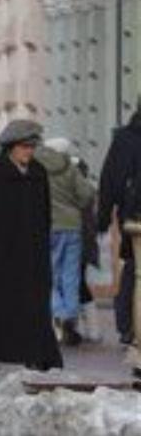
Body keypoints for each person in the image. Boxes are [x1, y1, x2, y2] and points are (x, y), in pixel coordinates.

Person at [0, 120, 63, 387]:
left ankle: (37, 371)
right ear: (10, 148)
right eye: (25, 147)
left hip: (31, 261)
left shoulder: (38, 173)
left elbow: (45, 217)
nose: (29, 151)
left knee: (34, 316)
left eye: (32, 146)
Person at [37, 137, 97, 345]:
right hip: (72, 226)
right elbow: (87, 194)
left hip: (45, 227)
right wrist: (74, 204)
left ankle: (59, 311)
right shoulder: (70, 168)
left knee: (47, 274)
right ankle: (70, 313)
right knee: (70, 274)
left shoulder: (35, 168)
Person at [97, 108, 141, 345]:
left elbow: (109, 179)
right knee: (135, 268)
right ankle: (127, 324)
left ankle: (126, 325)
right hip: (134, 216)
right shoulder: (125, 139)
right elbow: (111, 179)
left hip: (131, 214)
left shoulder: (123, 139)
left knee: (134, 268)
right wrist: (103, 217)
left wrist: (104, 216)